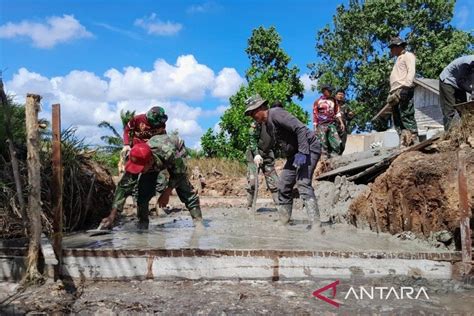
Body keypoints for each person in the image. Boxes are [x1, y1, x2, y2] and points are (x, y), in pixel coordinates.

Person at [245, 94, 325, 232]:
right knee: (283, 185)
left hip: (308, 149)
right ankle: (284, 221)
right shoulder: (267, 124)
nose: (252, 117)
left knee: (303, 183)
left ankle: (316, 226)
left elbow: (300, 128)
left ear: (261, 108)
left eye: (253, 113)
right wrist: (258, 155)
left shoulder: (276, 114)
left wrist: (302, 154)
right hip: (294, 155)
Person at [101, 133, 203, 230]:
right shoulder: (136, 157)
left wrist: (167, 192)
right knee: (143, 193)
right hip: (152, 159)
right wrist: (112, 216)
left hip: (176, 149)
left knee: (184, 188)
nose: (139, 171)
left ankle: (198, 222)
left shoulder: (169, 153)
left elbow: (179, 173)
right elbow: (123, 187)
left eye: (140, 168)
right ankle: (143, 224)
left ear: (150, 162)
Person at [387, 36, 417, 147]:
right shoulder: (398, 59)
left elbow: (411, 71)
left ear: (398, 46)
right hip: (395, 92)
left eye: (392, 47)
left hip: (403, 89)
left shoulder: (408, 56)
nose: (391, 50)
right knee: (397, 119)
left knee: (406, 115)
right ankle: (404, 142)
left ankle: (413, 140)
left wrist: (406, 87)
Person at [246, 118, 279, 209]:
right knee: (252, 183)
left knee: (274, 183)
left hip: (267, 155)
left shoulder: (277, 124)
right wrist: (256, 154)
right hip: (253, 157)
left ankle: (280, 207)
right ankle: (249, 207)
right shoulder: (257, 124)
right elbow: (252, 140)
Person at [439, 55, 474, 130]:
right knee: (449, 109)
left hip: (460, 83)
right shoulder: (466, 63)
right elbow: (460, 82)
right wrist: (472, 91)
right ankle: (449, 133)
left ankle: (468, 131)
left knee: (464, 109)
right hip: (448, 81)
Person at [313, 84, 345, 158]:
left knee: (337, 142)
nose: (330, 92)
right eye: (329, 91)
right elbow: (315, 114)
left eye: (331, 91)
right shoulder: (318, 102)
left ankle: (335, 158)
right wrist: (315, 127)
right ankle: (324, 160)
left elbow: (337, 112)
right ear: (324, 91)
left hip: (331, 124)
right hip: (321, 125)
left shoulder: (334, 101)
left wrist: (341, 123)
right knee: (323, 143)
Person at [334, 89, 354, 154]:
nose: (341, 96)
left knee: (342, 145)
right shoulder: (332, 104)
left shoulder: (346, 106)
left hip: (342, 128)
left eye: (342, 95)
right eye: (339, 94)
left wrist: (351, 115)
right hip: (333, 127)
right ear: (336, 95)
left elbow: (349, 118)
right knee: (334, 144)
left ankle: (339, 156)